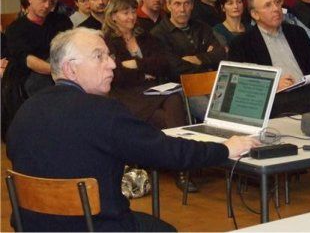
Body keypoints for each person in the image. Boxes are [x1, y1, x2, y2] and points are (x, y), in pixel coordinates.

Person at [6, 27, 259, 232]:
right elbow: (170, 153)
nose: (112, 65)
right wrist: (225, 148)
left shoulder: (26, 109)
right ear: (71, 68)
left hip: (33, 225)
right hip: (95, 226)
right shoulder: (102, 112)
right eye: (99, 57)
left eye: (109, 56)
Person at [229, 0, 310, 207]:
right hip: (273, 101)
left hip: (307, 92)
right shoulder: (242, 43)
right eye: (268, 5)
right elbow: (241, 85)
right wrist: (273, 84)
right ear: (254, 14)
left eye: (277, 3)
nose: (276, 9)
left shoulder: (297, 33)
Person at [103, 0, 197, 192]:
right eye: (124, 13)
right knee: (165, 117)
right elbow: (116, 73)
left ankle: (179, 165)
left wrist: (136, 64)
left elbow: (162, 64)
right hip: (125, 95)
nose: (131, 17)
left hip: (152, 90)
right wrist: (143, 73)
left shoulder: (145, 35)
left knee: (173, 98)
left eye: (132, 12)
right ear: (113, 17)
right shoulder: (107, 41)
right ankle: (182, 167)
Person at [1, 0, 72, 137]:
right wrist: (60, 71)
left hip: (58, 68)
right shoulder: (15, 28)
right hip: (26, 75)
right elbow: (28, 60)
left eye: (51, 2)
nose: (47, 5)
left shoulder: (61, 22)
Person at [151, 0, 227, 80]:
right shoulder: (158, 34)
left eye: (186, 3)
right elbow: (174, 68)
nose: (182, 9)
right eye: (177, 4)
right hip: (177, 88)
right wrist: (208, 64)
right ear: (168, 6)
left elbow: (221, 53)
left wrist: (198, 59)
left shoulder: (202, 27)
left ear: (192, 5)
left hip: (209, 83)